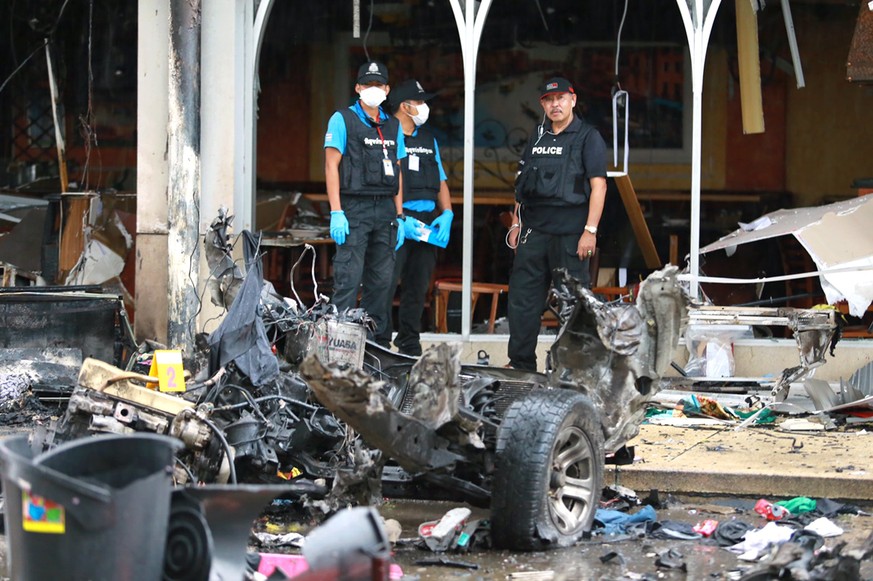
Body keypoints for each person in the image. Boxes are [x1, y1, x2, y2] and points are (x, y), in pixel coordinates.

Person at [506, 77, 608, 371]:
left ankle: (573, 369)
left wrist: (590, 231)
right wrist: (516, 223)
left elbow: (599, 187)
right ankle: (521, 363)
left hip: (571, 233)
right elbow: (521, 185)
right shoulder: (537, 136)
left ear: (573, 100)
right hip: (534, 231)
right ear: (543, 104)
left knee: (573, 304)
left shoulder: (588, 137)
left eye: (561, 98)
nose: (556, 104)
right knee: (523, 301)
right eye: (550, 100)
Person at [323, 61, 408, 344]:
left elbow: (397, 171)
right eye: (368, 84)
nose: (374, 90)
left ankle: (377, 349)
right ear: (358, 88)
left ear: (387, 89)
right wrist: (336, 211)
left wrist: (400, 215)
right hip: (353, 209)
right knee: (348, 279)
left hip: (385, 210)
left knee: (382, 283)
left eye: (379, 85)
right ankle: (340, 349)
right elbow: (331, 166)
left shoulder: (393, 124)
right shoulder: (342, 119)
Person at [375, 79, 453, 356]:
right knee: (385, 284)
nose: (425, 107)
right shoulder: (384, 135)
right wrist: (397, 217)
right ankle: (380, 342)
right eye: (420, 102)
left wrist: (448, 213)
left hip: (427, 222)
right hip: (396, 221)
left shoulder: (427, 139)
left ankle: (409, 343)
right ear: (406, 107)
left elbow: (441, 179)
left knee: (417, 286)